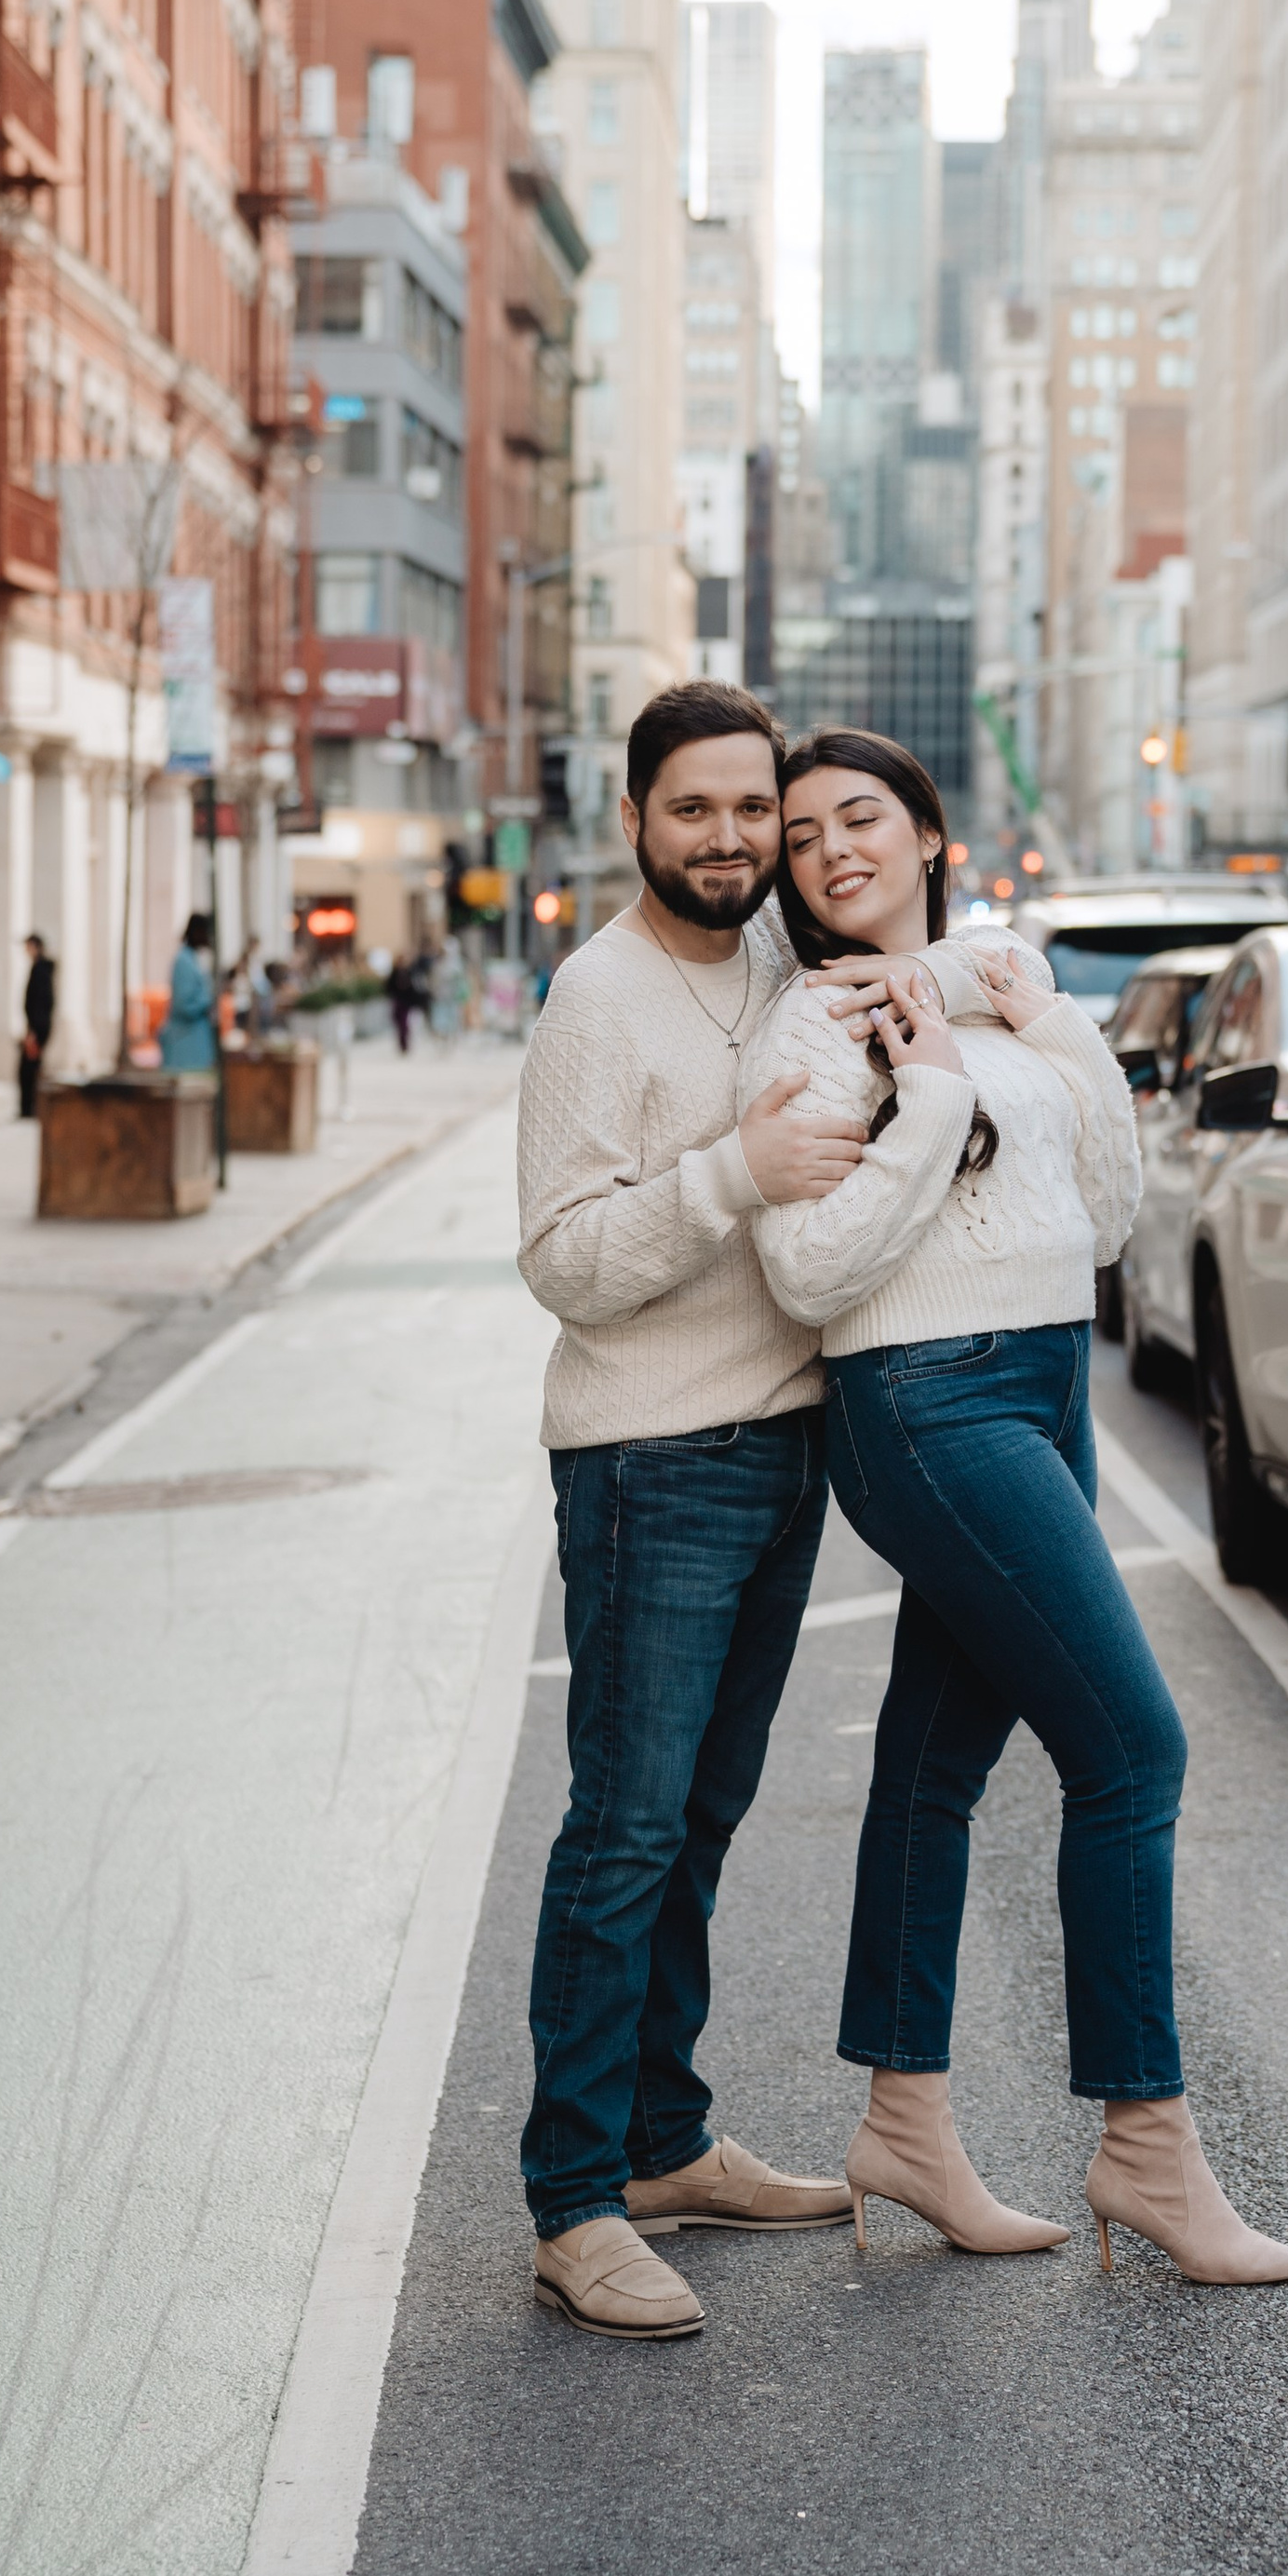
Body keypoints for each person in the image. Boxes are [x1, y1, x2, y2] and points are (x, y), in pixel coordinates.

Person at [743, 730, 1288, 2292]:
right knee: (1133, 1749)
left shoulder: (1000, 984)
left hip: (1046, 1377)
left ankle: (904, 2124)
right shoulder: (816, 1016)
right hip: (925, 1400)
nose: (831, 850)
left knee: (938, 1762)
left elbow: (1106, 1209)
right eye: (802, 838)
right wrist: (924, 1097)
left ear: (930, 832)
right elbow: (803, 1272)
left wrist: (1045, 1016)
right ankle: (1148, 2151)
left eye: (860, 817)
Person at [514, 683, 923, 2342]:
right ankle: (572, 2200)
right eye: (696, 810)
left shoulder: (777, 964)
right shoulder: (596, 999)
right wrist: (737, 1173)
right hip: (648, 1467)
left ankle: (665, 2140)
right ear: (634, 818)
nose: (735, 838)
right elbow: (561, 1262)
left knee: (699, 1822)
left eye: (754, 808)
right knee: (622, 1832)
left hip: (781, 1451)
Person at [159, 912, 219, 1073]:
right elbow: (183, 1004)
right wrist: (209, 998)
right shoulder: (183, 962)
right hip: (184, 1044)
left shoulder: (193, 959)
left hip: (195, 1043)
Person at [18, 933, 56, 1119]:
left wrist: (33, 1030)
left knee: (29, 1069)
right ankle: (31, 1107)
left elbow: (41, 1003)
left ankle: (30, 1108)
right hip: (36, 1027)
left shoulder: (40, 970)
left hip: (37, 1028)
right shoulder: (39, 968)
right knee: (31, 1067)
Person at [387, 951, 418, 1055]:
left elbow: (413, 987)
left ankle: (405, 1043)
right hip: (397, 1000)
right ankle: (401, 1043)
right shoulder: (394, 973)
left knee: (404, 1023)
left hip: (406, 1001)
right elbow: (389, 987)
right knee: (399, 1023)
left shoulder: (409, 972)